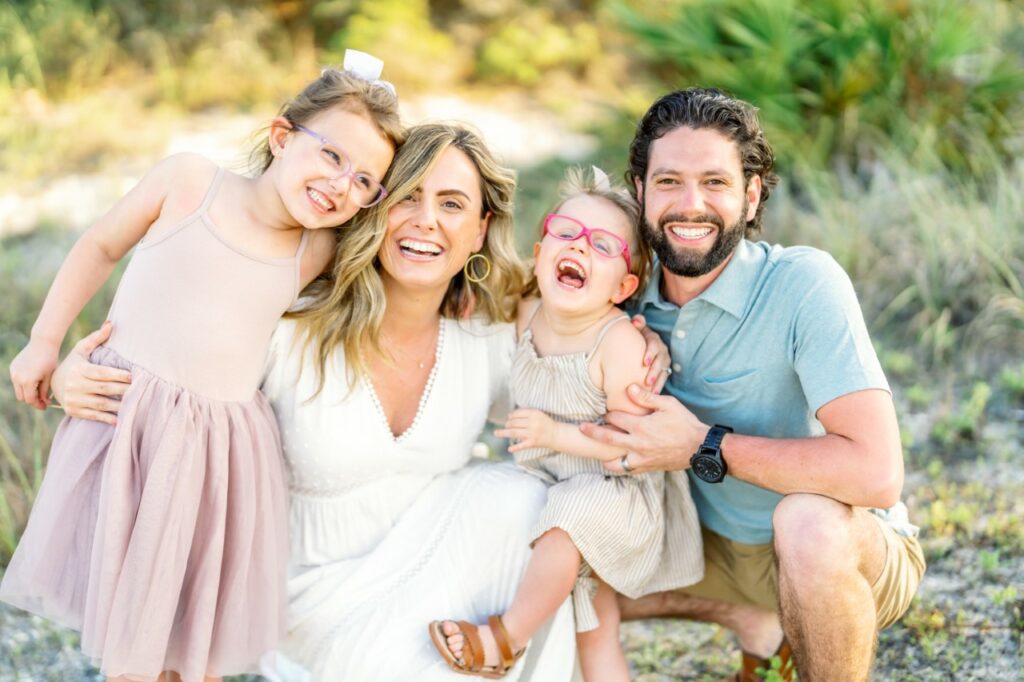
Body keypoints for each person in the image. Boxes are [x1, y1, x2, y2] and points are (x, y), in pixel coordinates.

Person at [49, 124, 672, 681]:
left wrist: (636, 341)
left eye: (452, 204)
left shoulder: (493, 335)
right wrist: (68, 373)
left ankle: (499, 651)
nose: (426, 221)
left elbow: (585, 360)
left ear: (480, 229)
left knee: (525, 499)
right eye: (408, 197)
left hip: (435, 570)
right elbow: (171, 379)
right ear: (375, 212)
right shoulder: (291, 321)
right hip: (310, 599)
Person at [2, 51, 402, 682]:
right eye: (332, 156)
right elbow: (101, 245)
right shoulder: (191, 182)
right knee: (134, 641)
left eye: (363, 181)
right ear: (281, 136)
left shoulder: (317, 249)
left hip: (217, 456)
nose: (341, 184)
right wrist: (44, 342)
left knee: (193, 650)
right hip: (131, 427)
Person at [579, 87, 926, 681]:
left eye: (715, 182)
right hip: (704, 550)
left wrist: (701, 446)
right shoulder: (621, 293)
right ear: (639, 191)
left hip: (832, 550)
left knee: (807, 525)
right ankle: (760, 626)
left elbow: (875, 473)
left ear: (752, 194)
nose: (691, 205)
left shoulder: (803, 284)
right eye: (668, 182)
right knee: (544, 550)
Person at [429, 167, 703, 680]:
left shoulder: (618, 343)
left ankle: (505, 638)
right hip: (557, 484)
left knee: (563, 525)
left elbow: (633, 445)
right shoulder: (524, 312)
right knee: (594, 636)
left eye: (603, 245)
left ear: (622, 286)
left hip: (612, 493)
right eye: (567, 232)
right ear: (541, 252)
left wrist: (554, 435)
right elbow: (475, 305)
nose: (580, 248)